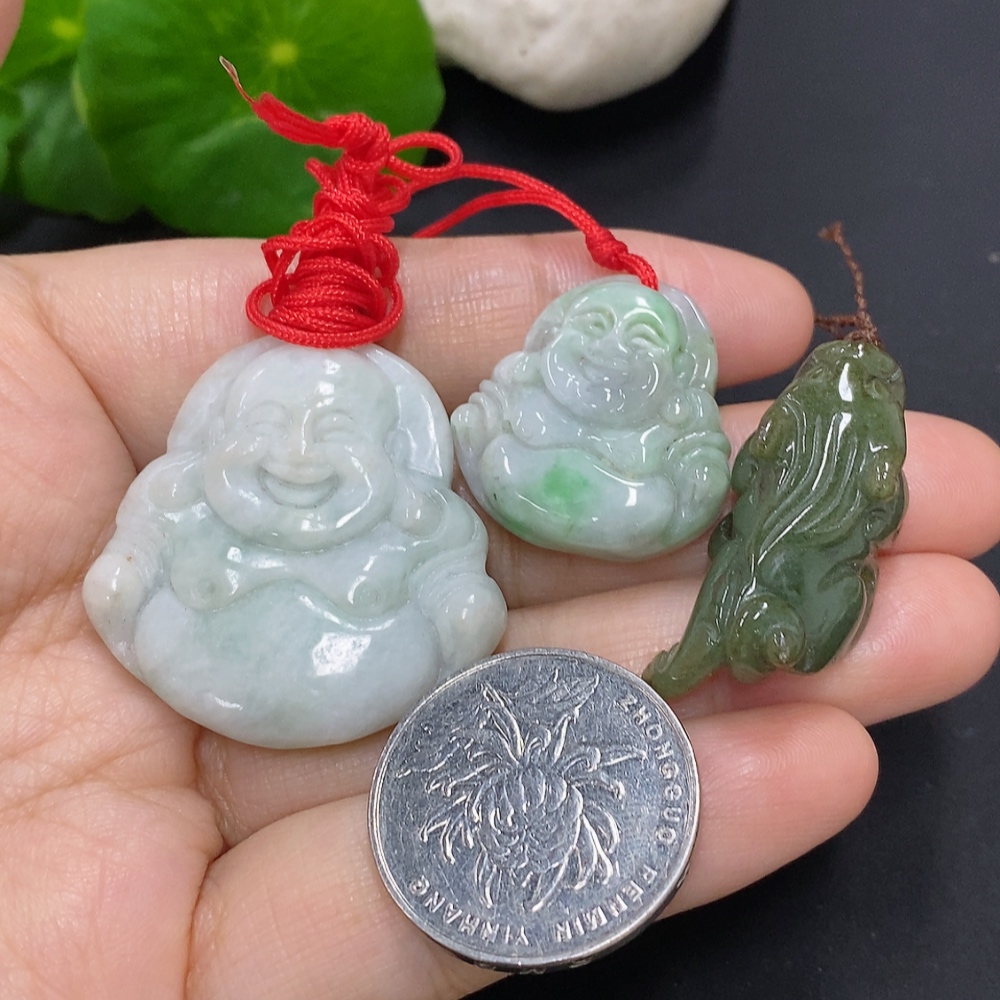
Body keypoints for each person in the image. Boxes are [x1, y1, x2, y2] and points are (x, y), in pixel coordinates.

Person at [2, 8, 999, 1000]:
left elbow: (477, 564)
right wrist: (130, 578)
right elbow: (148, 540)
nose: (298, 456)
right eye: (266, 429)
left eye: (337, 434)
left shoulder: (436, 512)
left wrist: (458, 604)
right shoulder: (199, 496)